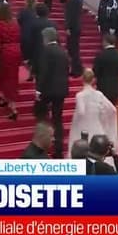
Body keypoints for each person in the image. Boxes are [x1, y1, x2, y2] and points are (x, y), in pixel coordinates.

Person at [69, 69, 118, 158]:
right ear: (93, 80)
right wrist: (103, 118)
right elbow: (113, 110)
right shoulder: (99, 94)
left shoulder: (80, 95)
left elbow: (81, 112)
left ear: (82, 79)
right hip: (97, 126)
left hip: (83, 128)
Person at [35, 27, 70, 158]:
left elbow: (43, 72)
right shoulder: (63, 51)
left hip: (47, 90)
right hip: (61, 90)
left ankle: (42, 145)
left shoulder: (46, 52)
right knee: (57, 119)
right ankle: (59, 149)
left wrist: (38, 89)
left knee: (42, 117)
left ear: (46, 38)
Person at [0, 3, 22, 120]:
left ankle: (13, 107)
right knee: (12, 77)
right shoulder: (15, 23)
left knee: (6, 78)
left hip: (5, 52)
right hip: (16, 51)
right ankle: (5, 98)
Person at [92, 34, 118, 105]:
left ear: (105, 41)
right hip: (116, 86)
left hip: (103, 86)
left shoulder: (101, 55)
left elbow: (95, 71)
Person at [64, 0, 83, 77]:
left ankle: (77, 70)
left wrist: (67, 27)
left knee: (73, 50)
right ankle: (76, 69)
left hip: (73, 28)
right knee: (73, 49)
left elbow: (70, 16)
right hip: (76, 27)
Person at [17, 0, 37, 65]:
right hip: (35, 37)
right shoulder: (36, 12)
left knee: (26, 57)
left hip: (25, 36)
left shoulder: (23, 12)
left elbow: (18, 21)